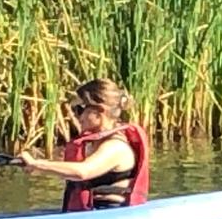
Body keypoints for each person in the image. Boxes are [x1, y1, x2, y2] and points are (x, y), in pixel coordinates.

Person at [16, 78, 149, 210]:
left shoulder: (115, 147)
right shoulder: (95, 142)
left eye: (80, 109)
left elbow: (83, 172)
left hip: (108, 214)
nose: (77, 116)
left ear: (99, 112)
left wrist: (37, 164)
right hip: (92, 213)